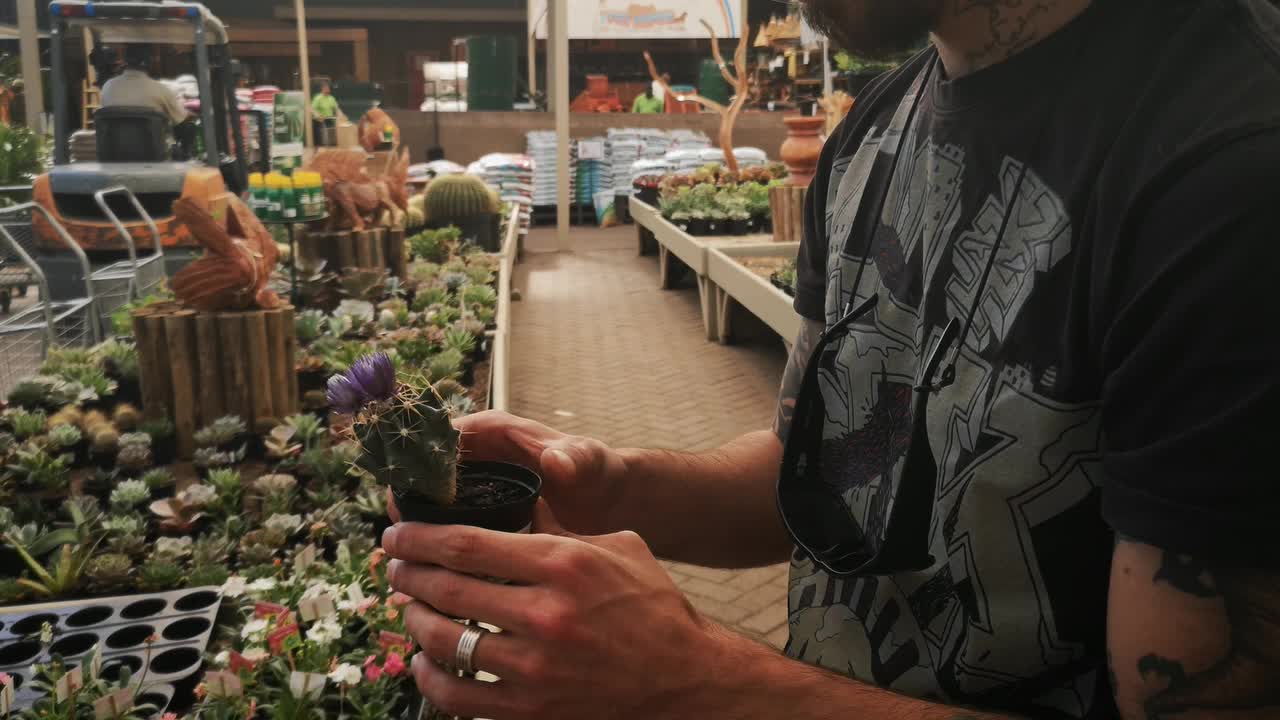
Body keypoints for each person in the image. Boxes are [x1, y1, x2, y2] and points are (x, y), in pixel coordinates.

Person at [382, 1, 1280, 718]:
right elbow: (828, 466)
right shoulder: (877, 126)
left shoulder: (1228, 176)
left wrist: (696, 680)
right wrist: (621, 490)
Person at [100, 44, 187, 125]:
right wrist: (181, 101)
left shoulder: (108, 86)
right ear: (151, 61)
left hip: (115, 141)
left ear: (124, 60)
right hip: (153, 141)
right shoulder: (160, 89)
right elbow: (180, 119)